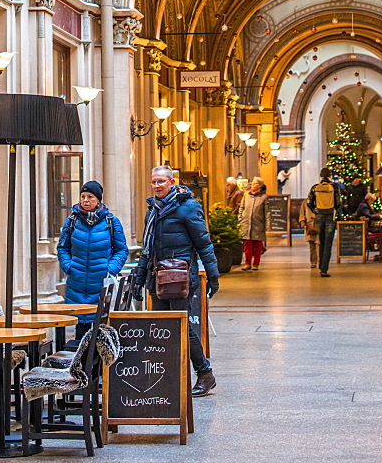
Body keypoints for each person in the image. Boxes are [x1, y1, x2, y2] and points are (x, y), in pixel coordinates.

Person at [133, 166, 219, 397]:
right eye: (154, 182)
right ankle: (167, 377)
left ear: (172, 182)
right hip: (157, 278)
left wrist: (212, 275)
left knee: (181, 326)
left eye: (161, 181)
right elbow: (147, 250)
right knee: (160, 328)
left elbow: (203, 243)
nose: (157, 185)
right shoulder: (152, 210)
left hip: (180, 279)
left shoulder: (188, 207)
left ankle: (204, 373)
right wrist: (139, 279)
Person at [57, 180, 129, 341]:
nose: (86, 200)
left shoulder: (111, 221)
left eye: (90, 197)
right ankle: (81, 364)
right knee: (81, 329)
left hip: (100, 284)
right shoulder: (72, 221)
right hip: (77, 282)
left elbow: (121, 250)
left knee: (101, 330)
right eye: (83, 196)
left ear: (98, 200)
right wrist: (68, 266)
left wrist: (109, 269)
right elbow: (62, 247)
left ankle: (98, 365)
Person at [309, 167, 342, 277]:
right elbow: (339, 202)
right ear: (330, 176)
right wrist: (335, 211)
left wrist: (315, 210)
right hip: (330, 216)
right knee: (328, 243)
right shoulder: (334, 187)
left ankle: (320, 265)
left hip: (319, 215)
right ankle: (324, 269)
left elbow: (309, 202)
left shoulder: (315, 188)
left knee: (321, 241)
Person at [238, 176, 267, 271]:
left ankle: (256, 263)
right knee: (247, 244)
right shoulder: (246, 195)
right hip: (246, 223)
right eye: (253, 183)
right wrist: (240, 219)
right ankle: (247, 263)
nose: (253, 185)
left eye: (256, 183)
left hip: (258, 223)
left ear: (260, 186)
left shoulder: (263, 197)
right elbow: (241, 208)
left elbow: (267, 212)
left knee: (257, 245)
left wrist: (268, 225)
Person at [298, 195, 320, 268]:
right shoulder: (306, 201)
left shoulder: (321, 200)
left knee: (319, 243)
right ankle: (313, 262)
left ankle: (320, 261)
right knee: (312, 244)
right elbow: (302, 212)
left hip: (319, 223)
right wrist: (302, 221)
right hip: (309, 224)